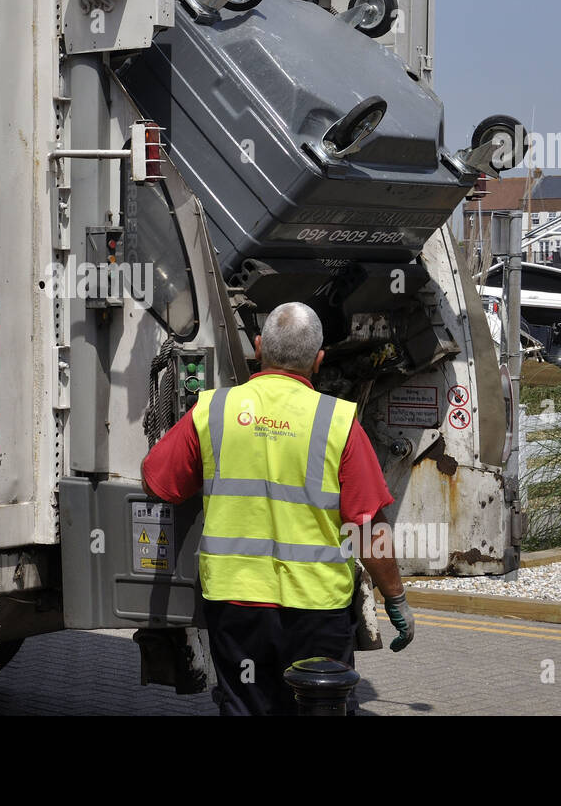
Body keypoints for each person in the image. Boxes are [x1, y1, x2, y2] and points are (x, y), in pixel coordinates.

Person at [141, 301, 414, 715]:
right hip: (317, 610)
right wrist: (395, 599)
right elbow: (367, 528)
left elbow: (159, 481)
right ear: (319, 361)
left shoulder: (213, 410)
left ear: (257, 346)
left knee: (245, 706)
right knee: (320, 706)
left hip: (236, 606)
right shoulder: (338, 421)